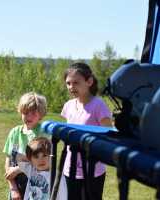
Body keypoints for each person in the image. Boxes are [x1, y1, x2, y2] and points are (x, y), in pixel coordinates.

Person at [61, 62, 112, 200]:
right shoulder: (68, 106)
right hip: (69, 168)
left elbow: (108, 135)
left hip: (92, 170)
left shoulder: (99, 105)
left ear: (89, 81)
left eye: (76, 82)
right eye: (68, 83)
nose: (71, 87)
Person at [3, 92, 48, 200]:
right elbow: (9, 161)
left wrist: (18, 169)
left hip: (36, 188)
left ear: (41, 115)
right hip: (16, 187)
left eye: (33, 113)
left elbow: (42, 163)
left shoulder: (43, 134)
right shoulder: (14, 133)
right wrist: (13, 189)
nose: (29, 116)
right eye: (26, 112)